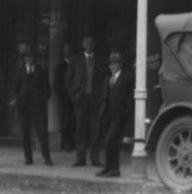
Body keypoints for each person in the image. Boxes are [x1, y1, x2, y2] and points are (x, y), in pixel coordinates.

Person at [65, 36, 105, 167]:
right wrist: (73, 95)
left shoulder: (99, 60)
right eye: (87, 42)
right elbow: (68, 78)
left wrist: (102, 96)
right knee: (80, 129)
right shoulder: (75, 60)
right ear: (83, 44)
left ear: (94, 45)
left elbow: (104, 79)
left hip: (94, 99)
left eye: (91, 43)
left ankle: (95, 158)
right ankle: (80, 159)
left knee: (95, 129)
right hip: (81, 99)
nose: (89, 45)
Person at [11, 46, 53, 165]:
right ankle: (28, 158)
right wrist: (19, 101)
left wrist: (42, 101)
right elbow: (15, 88)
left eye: (31, 57)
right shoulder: (20, 71)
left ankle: (47, 157)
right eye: (27, 57)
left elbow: (47, 89)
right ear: (24, 59)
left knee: (42, 132)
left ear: (34, 58)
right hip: (24, 107)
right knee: (25, 133)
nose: (29, 59)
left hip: (37, 106)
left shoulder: (41, 70)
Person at [96, 50, 133, 178]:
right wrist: (102, 112)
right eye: (111, 64)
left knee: (110, 141)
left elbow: (129, 95)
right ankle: (109, 168)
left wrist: (125, 112)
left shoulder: (126, 78)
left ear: (120, 65)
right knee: (111, 142)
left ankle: (115, 168)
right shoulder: (107, 79)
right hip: (107, 115)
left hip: (119, 115)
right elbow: (103, 97)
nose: (112, 66)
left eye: (115, 64)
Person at [52, 43, 75, 151]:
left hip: (76, 98)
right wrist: (63, 97)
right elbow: (56, 85)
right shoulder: (60, 66)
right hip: (65, 99)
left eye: (70, 50)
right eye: (66, 50)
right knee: (66, 122)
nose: (68, 52)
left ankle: (74, 142)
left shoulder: (76, 64)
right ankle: (67, 143)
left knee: (75, 121)